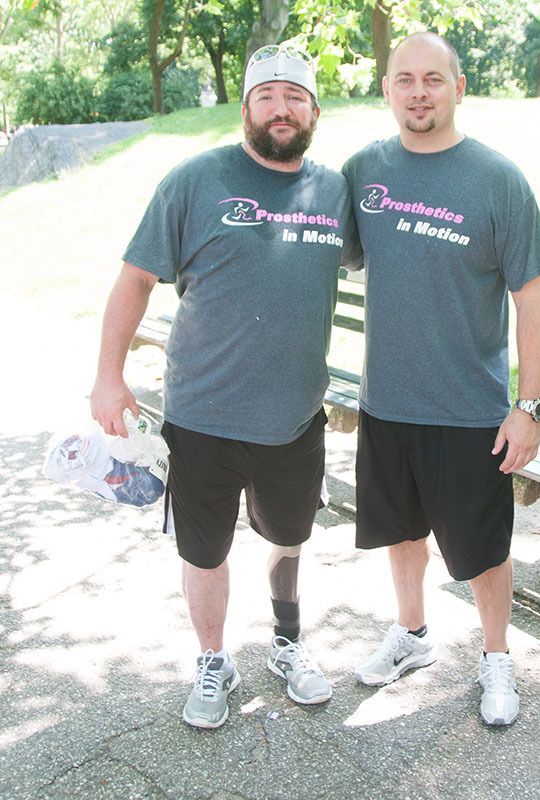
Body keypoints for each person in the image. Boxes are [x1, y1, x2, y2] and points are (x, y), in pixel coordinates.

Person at [91, 42, 357, 729]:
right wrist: (107, 376)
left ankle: (287, 644)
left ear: (315, 111)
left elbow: (398, 259)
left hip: (295, 420)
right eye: (266, 95)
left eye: (294, 96)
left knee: (289, 539)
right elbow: (134, 279)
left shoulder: (334, 192)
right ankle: (213, 659)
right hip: (202, 417)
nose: (281, 107)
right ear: (245, 108)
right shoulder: (195, 180)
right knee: (203, 550)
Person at [342, 32, 540, 727]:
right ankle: (412, 635)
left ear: (458, 88)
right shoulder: (362, 172)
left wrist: (529, 406)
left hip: (470, 410)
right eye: (404, 79)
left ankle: (496, 657)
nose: (418, 92)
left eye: (433, 79)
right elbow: (315, 254)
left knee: (483, 550)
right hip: (387, 403)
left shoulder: (497, 180)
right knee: (402, 531)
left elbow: (533, 297)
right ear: (386, 88)